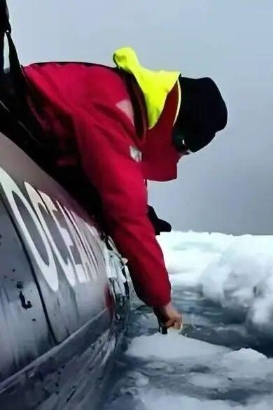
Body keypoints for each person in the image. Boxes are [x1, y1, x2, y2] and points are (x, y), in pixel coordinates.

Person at [23, 47, 228, 330]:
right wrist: (162, 302)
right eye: (184, 148)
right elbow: (126, 213)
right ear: (177, 130)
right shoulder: (114, 107)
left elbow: (113, 179)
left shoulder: (122, 99)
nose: (179, 156)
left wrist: (142, 211)